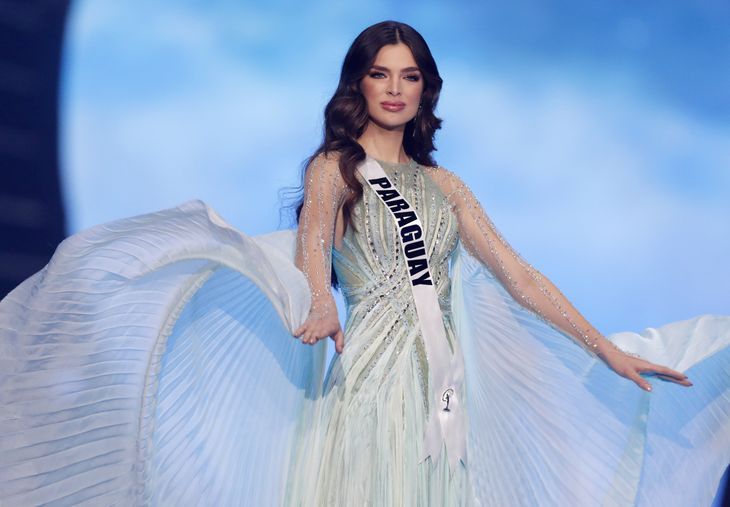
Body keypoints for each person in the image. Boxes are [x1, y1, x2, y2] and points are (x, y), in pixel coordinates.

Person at [0, 20, 728, 507]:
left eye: (409, 76)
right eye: (381, 75)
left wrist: (605, 349)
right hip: (375, 374)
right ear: (361, 84)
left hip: (445, 382)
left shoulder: (447, 186)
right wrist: (321, 303)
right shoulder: (334, 167)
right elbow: (311, 252)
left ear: (425, 89)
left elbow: (520, 276)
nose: (395, 88)